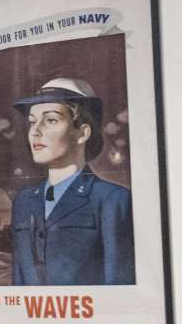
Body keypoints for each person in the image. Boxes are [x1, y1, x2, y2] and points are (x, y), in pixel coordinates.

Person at [10, 78, 135, 285]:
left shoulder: (112, 200)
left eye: (50, 120)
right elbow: (19, 283)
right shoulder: (23, 202)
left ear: (82, 133)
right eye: (32, 121)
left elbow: (119, 290)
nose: (35, 131)